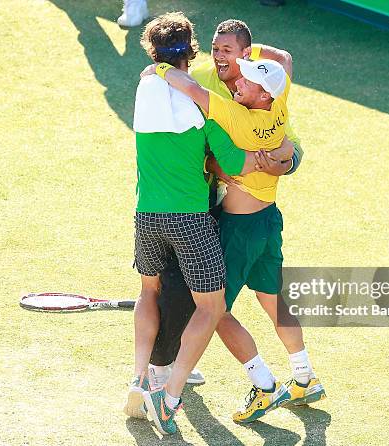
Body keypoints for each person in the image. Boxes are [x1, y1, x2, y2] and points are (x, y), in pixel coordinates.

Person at [145, 19, 325, 424]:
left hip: (238, 229)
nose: (237, 80)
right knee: (273, 299)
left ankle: (262, 385)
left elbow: (192, 91)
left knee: (212, 310)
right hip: (269, 223)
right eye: (218, 51)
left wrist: (158, 68)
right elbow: (283, 63)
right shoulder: (277, 102)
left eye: (245, 75)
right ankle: (304, 376)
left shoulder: (238, 115)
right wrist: (278, 156)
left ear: (261, 91)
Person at [126, 12, 263, 435]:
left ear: (153, 52)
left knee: (149, 291)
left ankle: (139, 379)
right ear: (193, 51)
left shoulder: (143, 86)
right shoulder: (201, 104)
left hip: (146, 216)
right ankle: (169, 396)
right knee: (212, 306)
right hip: (190, 221)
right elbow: (237, 161)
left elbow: (158, 73)